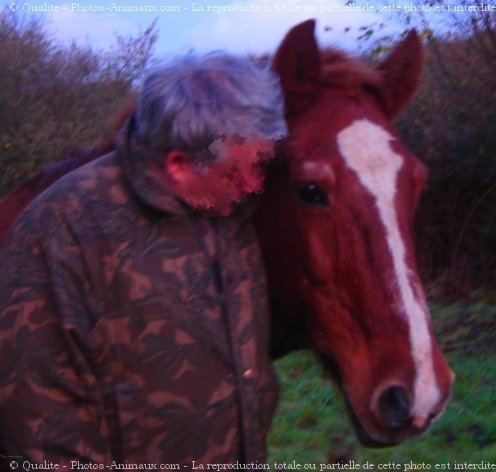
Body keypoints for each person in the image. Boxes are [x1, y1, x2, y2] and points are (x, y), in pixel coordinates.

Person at [0, 53, 287, 466]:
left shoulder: (233, 214)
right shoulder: (62, 229)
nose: (254, 185)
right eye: (235, 173)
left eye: (260, 164)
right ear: (178, 165)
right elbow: (39, 420)